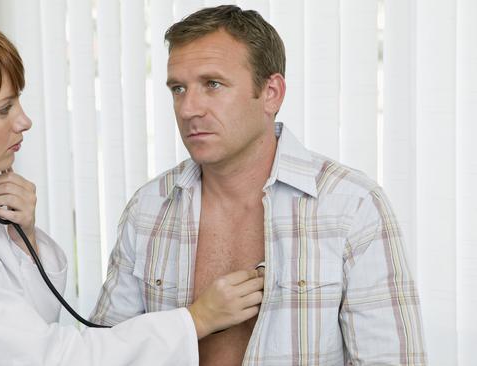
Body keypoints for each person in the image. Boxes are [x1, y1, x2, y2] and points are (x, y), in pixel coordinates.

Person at [0, 9, 266, 365]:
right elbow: (49, 357)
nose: (23, 121)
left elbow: (29, 320)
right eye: (3, 109)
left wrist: (22, 235)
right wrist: (196, 320)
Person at [91, 5, 427, 366]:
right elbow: (104, 353)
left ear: (271, 93)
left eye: (212, 84)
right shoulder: (149, 208)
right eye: (178, 88)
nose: (188, 108)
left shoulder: (352, 207)